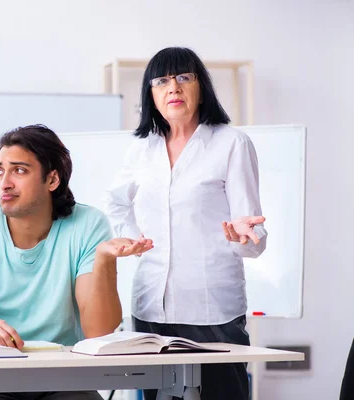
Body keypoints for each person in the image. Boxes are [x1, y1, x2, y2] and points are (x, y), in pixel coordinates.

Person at [0, 124, 153, 400]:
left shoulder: (88, 225)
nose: (5, 182)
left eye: (19, 170)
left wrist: (103, 260)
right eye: (0, 170)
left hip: (62, 378)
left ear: (52, 180)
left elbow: (98, 331)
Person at [104, 47, 267, 400]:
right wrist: (132, 240)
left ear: (200, 87)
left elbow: (254, 234)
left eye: (183, 78)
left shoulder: (230, 143)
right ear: (151, 95)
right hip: (151, 306)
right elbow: (117, 203)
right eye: (161, 81)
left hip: (212, 309)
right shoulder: (141, 149)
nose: (172, 88)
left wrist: (244, 238)